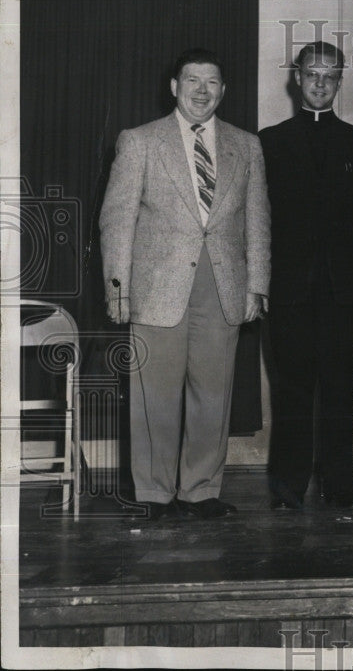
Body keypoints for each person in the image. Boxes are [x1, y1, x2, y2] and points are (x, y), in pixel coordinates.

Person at [100, 48, 270, 520]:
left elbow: (257, 222)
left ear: (223, 91)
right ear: (174, 87)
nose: (201, 90)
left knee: (213, 395)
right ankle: (154, 495)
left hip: (223, 287)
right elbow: (116, 221)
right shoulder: (140, 141)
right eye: (192, 80)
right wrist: (118, 289)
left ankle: (201, 491)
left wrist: (258, 285)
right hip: (155, 289)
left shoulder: (246, 145)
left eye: (211, 82)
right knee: (153, 396)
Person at [260, 41, 353, 511]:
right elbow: (258, 218)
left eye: (330, 75)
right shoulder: (268, 142)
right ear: (296, 79)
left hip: (343, 289)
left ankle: (339, 483)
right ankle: (288, 485)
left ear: (340, 83)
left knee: (338, 386)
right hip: (287, 288)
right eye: (312, 74)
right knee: (291, 388)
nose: (320, 82)